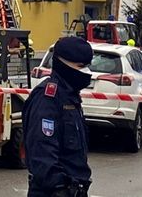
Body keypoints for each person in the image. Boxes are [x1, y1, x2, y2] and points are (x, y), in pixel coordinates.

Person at [23, 37, 93, 197]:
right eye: (80, 67)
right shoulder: (48, 98)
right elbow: (42, 151)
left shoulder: (70, 97)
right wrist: (60, 187)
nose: (86, 72)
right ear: (63, 64)